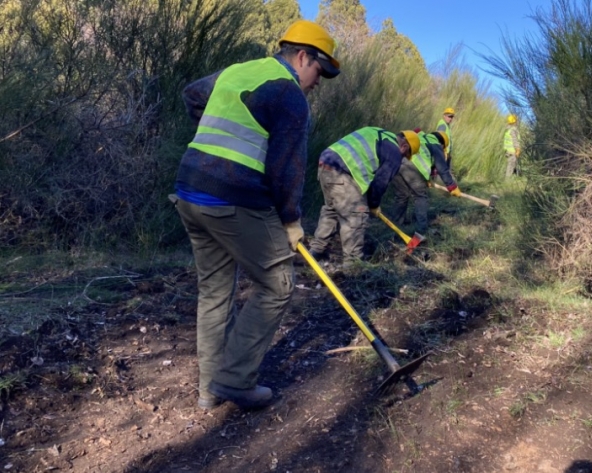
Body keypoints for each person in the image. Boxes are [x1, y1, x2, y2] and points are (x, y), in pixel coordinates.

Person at [170, 20, 340, 410]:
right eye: (318, 72)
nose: (317, 83)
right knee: (278, 284)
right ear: (302, 57)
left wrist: (212, 146)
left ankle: (209, 390)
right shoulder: (290, 95)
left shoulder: (238, 71)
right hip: (233, 198)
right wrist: (291, 221)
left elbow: (192, 94)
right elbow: (287, 169)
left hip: (189, 190)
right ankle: (235, 380)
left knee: (214, 291)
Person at [308, 127, 421, 264]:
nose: (402, 158)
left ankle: (316, 251)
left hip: (326, 162)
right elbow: (380, 182)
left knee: (332, 210)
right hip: (343, 172)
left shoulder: (376, 133)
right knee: (356, 215)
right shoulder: (395, 152)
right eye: (406, 155)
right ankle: (353, 264)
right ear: (404, 146)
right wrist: (373, 204)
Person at [391, 130, 460, 234]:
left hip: (396, 162)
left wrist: (426, 179)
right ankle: (422, 229)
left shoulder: (420, 137)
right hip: (412, 167)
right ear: (442, 143)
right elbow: (442, 168)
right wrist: (452, 186)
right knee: (420, 196)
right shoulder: (435, 144)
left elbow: (425, 158)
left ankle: (396, 225)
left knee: (402, 195)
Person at [504, 114, 521, 178]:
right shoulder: (513, 130)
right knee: (511, 165)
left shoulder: (508, 130)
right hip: (512, 151)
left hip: (508, 151)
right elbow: (515, 140)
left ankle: (513, 176)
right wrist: (518, 149)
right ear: (514, 122)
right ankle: (507, 180)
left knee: (511, 164)